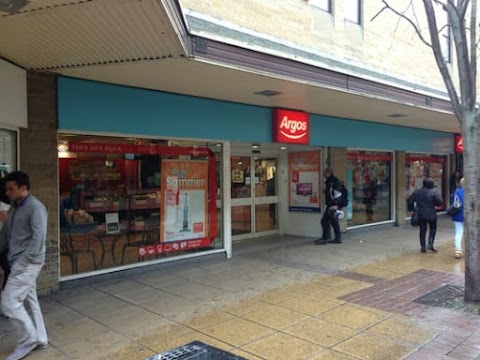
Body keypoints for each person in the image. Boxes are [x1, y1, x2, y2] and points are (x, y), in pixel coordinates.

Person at [0, 171, 48, 360]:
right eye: (6, 189)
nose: (8, 192)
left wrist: (21, 264)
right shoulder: (14, 209)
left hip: (28, 263)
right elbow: (6, 235)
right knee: (31, 301)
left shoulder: (36, 208)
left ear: (23, 188)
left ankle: (28, 340)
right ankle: (41, 339)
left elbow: (38, 240)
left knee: (9, 302)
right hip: (19, 262)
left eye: (11, 189)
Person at [408, 177, 444, 253]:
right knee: (433, 229)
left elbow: (410, 200)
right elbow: (440, 202)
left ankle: (423, 247)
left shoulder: (417, 192)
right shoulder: (434, 192)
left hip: (421, 213)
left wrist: (411, 210)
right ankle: (430, 244)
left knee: (422, 230)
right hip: (431, 213)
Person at [315, 168, 344, 245]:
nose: (323, 174)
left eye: (324, 173)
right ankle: (337, 238)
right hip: (332, 204)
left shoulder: (333, 181)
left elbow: (338, 194)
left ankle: (325, 238)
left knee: (324, 221)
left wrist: (336, 205)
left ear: (328, 173)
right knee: (333, 221)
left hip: (332, 204)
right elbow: (332, 192)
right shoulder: (330, 181)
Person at [0, 177, 11, 289]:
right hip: (4, 242)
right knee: (9, 269)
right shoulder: (3, 204)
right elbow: (8, 222)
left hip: (6, 242)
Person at [451, 177, 465, 259]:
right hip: (470, 214)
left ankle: (458, 250)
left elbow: (454, 202)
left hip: (458, 214)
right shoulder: (473, 192)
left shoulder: (456, 192)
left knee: (458, 232)